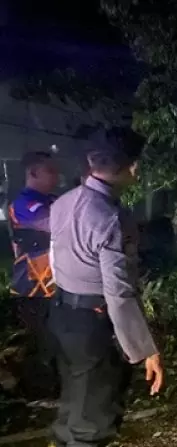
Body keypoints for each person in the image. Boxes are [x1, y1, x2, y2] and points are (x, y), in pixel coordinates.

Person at [48, 146, 164, 446]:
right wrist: (145, 349)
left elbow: (54, 258)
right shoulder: (110, 217)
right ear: (132, 168)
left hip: (63, 314)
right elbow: (119, 292)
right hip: (93, 324)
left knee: (75, 402)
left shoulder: (63, 202)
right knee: (93, 419)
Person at [8, 151, 59, 394]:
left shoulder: (51, 200)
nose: (56, 176)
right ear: (33, 173)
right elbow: (55, 224)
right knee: (41, 341)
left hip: (53, 284)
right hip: (32, 286)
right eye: (50, 171)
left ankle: (52, 386)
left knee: (55, 339)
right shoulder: (25, 204)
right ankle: (36, 391)